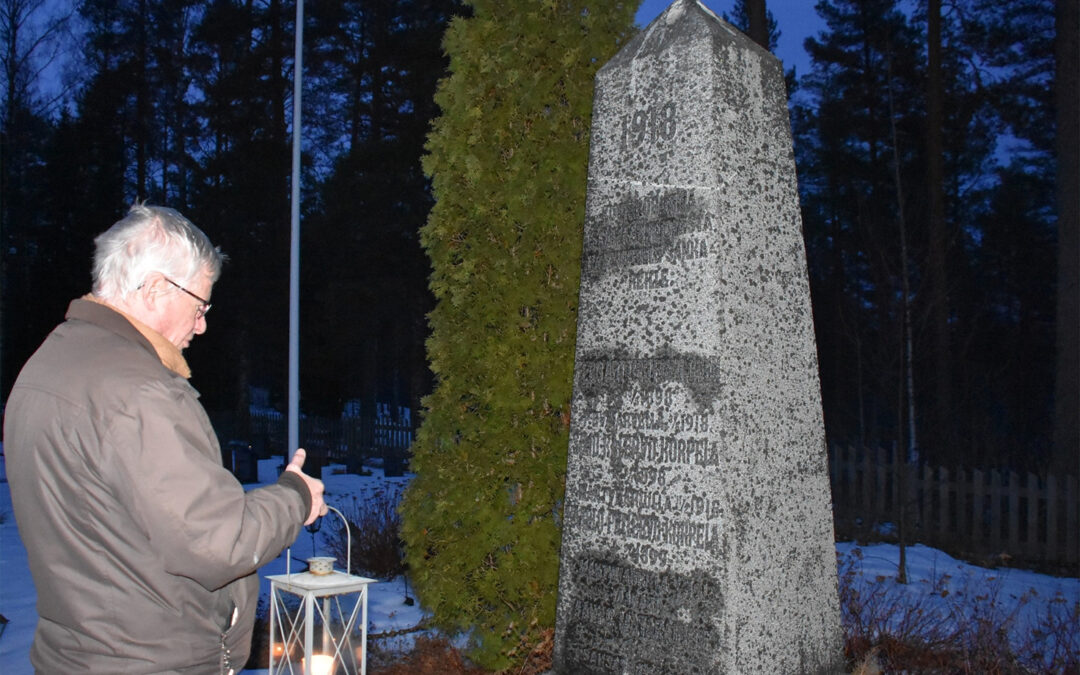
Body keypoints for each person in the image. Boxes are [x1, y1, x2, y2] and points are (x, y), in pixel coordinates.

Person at [3, 204, 327, 673]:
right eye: (199, 306)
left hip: (72, 653)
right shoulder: (138, 391)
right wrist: (295, 496)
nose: (202, 325)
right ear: (157, 289)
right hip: (150, 660)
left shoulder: (48, 363)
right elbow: (219, 542)